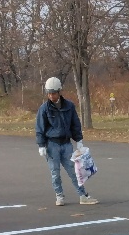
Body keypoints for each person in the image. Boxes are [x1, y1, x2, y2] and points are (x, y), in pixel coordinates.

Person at [35, 76, 98, 206]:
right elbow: (40, 128)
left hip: (66, 144)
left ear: (59, 92)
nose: (51, 96)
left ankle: (83, 196)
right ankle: (59, 196)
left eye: (53, 93)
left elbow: (75, 124)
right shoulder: (44, 109)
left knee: (74, 172)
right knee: (55, 173)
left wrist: (79, 140)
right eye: (49, 93)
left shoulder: (69, 106)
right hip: (52, 145)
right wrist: (41, 145)